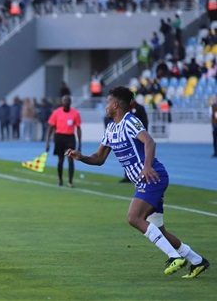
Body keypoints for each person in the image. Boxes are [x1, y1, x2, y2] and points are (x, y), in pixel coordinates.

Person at [65, 86, 210, 278]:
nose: (106, 106)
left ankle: (175, 256)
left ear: (115, 105)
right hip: (145, 180)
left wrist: (147, 166)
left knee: (133, 218)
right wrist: (81, 157)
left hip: (152, 177)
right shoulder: (110, 129)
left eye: (108, 102)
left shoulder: (130, 121)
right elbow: (99, 159)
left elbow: (149, 142)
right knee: (158, 230)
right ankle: (198, 261)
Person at [45, 95, 81, 187]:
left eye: (68, 100)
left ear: (70, 102)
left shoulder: (75, 113)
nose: (66, 102)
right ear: (62, 102)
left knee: (70, 160)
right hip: (59, 137)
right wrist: (47, 142)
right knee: (60, 160)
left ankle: (70, 181)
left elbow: (78, 128)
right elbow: (51, 128)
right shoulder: (56, 113)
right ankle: (60, 180)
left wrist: (80, 143)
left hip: (70, 138)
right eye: (65, 100)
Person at [119, 98, 149, 183]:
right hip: (128, 138)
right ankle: (128, 176)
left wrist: (144, 134)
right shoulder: (126, 109)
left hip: (139, 137)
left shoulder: (140, 108)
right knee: (128, 157)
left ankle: (143, 174)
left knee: (140, 156)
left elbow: (145, 122)